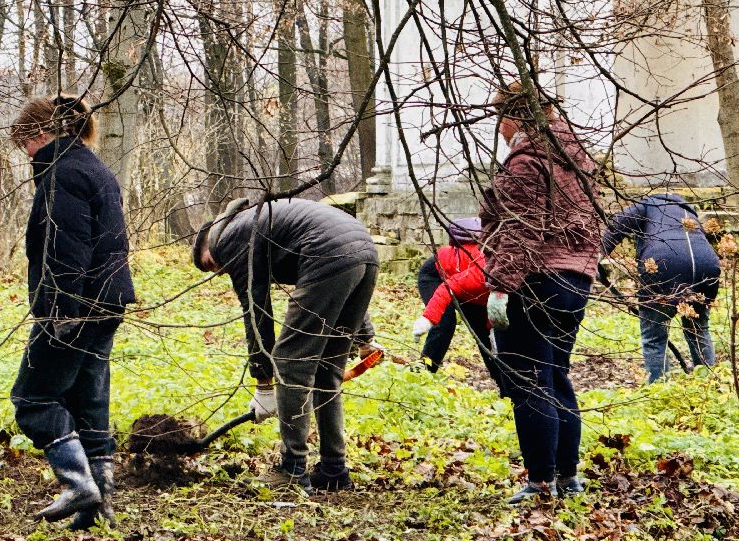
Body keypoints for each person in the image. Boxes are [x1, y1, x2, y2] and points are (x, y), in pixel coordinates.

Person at [192, 196, 379, 493]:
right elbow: (342, 262)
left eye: (211, 265)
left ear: (208, 244)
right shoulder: (253, 224)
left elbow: (256, 310)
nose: (220, 270)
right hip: (364, 248)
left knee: (292, 362)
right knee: (327, 370)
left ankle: (292, 471)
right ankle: (334, 469)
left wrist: (264, 383)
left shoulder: (227, 239)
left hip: (328, 252)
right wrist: (364, 337)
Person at [8, 95, 134, 526]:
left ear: (38, 134)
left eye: (23, 144)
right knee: (88, 401)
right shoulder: (95, 169)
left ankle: (78, 485)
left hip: (74, 306)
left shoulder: (62, 173)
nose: (26, 155)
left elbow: (68, 246)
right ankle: (102, 507)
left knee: (33, 398)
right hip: (107, 301)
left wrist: (61, 310)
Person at [481, 83, 602, 504]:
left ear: (515, 118)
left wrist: (499, 287)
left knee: (529, 381)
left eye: (501, 120)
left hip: (532, 283)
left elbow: (518, 229)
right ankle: (568, 476)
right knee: (555, 374)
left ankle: (539, 481)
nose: (499, 130)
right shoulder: (578, 160)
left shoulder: (525, 164)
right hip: (575, 282)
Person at [601, 193, 720, 383]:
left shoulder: (646, 204)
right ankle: (708, 384)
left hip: (664, 264)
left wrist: (593, 259)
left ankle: (659, 390)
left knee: (654, 335)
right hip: (707, 264)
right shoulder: (688, 210)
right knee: (698, 328)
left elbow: (617, 225)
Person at [410, 217, 509, 395]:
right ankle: (419, 377)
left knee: (486, 336)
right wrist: (428, 319)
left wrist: (491, 327)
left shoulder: (512, 277)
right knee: (444, 325)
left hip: (470, 287)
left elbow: (494, 314)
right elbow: (446, 288)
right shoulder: (482, 273)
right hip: (438, 277)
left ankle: (507, 391)